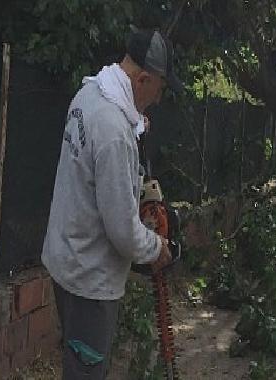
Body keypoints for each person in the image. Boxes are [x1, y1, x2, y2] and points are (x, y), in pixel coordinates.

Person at [41, 27, 183, 379]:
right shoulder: (114, 132)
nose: (158, 98)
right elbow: (123, 231)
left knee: (77, 363)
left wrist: (135, 132)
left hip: (66, 259)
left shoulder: (88, 96)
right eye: (159, 89)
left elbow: (95, 167)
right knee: (86, 373)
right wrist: (157, 247)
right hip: (91, 279)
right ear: (143, 79)